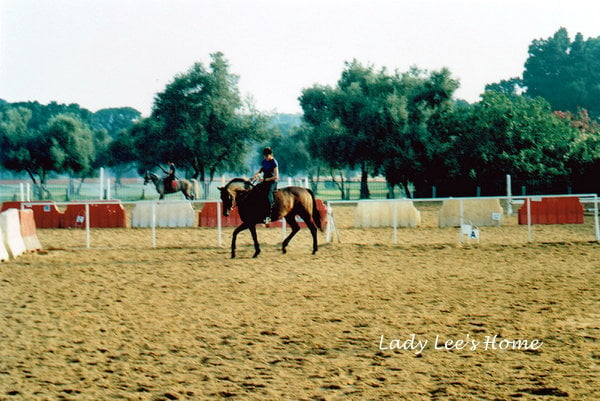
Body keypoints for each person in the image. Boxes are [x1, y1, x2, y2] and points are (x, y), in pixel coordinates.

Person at [252, 147, 279, 223]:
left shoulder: (274, 162)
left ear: (271, 155)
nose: (266, 157)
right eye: (265, 156)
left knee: (268, 195)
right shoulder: (264, 162)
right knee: (256, 190)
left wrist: (265, 180)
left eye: (267, 156)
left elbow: (276, 176)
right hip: (264, 181)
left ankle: (268, 216)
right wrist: (255, 176)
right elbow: (260, 171)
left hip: (272, 182)